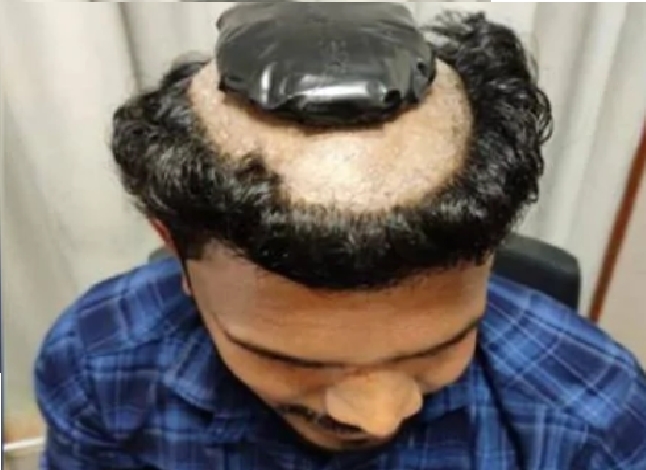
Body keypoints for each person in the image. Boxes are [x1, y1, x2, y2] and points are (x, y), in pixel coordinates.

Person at [34, 8, 646, 470]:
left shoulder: (594, 416)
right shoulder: (97, 364)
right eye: (290, 361)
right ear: (173, 245)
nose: (378, 417)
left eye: (438, 349)